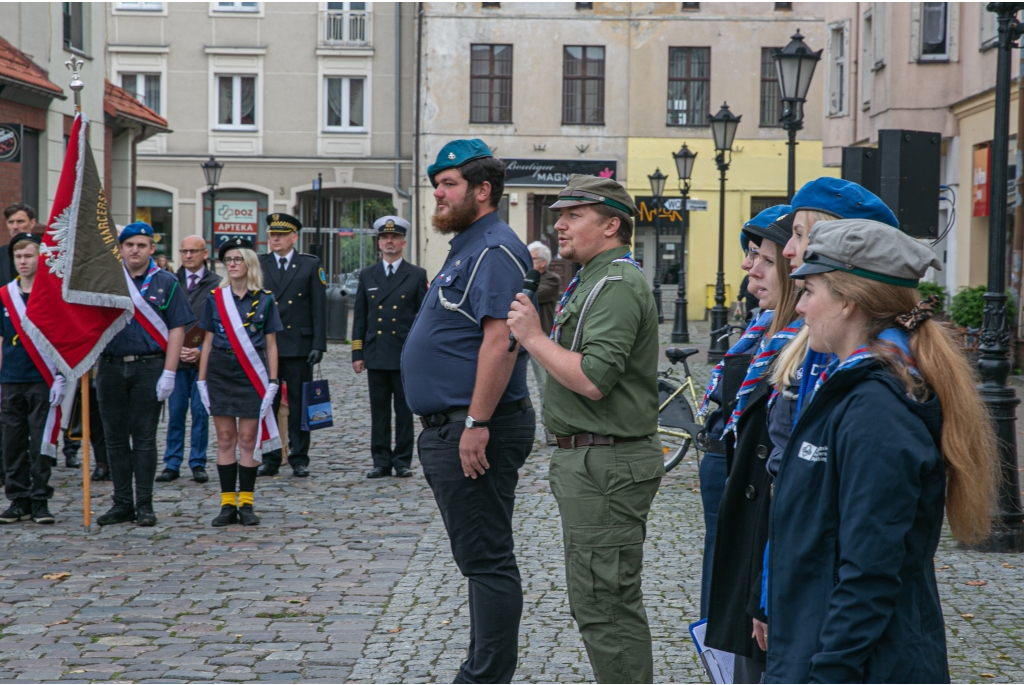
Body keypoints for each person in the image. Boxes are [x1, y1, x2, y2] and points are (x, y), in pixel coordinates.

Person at [764, 219, 995, 683]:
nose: (801, 308)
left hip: (862, 664)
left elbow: (870, 571)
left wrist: (825, 673)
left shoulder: (877, 409)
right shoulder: (851, 389)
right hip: (823, 646)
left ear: (848, 301)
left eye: (809, 291)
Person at [507, 174, 662, 684]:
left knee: (606, 602)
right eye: (559, 215)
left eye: (574, 215)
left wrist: (532, 336)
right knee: (596, 597)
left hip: (607, 462)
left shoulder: (616, 284)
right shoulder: (595, 278)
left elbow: (593, 379)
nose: (560, 224)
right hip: (593, 460)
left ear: (612, 224)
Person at [402, 139, 535, 684]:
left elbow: (501, 341)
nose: (438, 191)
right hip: (455, 423)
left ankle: (484, 676)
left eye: (449, 183)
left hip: (474, 425)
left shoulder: (494, 249)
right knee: (479, 557)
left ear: (483, 191)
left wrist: (476, 423)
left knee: (486, 559)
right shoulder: (468, 245)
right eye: (436, 183)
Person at [703, 206, 798, 684]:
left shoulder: (798, 354)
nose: (748, 267)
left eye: (761, 257)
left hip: (768, 565)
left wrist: (764, 592)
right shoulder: (761, 337)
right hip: (748, 558)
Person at [95, 222, 195, 527]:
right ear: (121, 249)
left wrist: (170, 370)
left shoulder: (165, 281)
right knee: (113, 438)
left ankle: (144, 503)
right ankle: (122, 502)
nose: (134, 250)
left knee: (144, 437)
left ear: (152, 248)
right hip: (110, 365)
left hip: (149, 366)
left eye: (141, 245)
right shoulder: (106, 280)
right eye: (129, 245)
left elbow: (178, 327)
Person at [197, 237, 282, 527]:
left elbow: (271, 344)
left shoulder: (266, 299)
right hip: (220, 368)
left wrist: (272, 380)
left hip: (252, 371)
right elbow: (206, 341)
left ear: (249, 263)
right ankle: (226, 504)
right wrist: (201, 380)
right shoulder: (215, 298)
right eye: (227, 260)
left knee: (247, 439)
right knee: (224, 439)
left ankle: (246, 503)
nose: (232, 265)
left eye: (237, 259)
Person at [352, 216, 427, 479]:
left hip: (404, 352)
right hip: (376, 352)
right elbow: (360, 317)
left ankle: (402, 460)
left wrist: (421, 354)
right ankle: (381, 460)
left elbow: (422, 318)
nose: (389, 242)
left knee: (404, 412)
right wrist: (357, 353)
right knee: (379, 411)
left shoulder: (416, 275)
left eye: (394, 238)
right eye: (384, 238)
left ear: (403, 242)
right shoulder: (367, 275)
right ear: (379, 243)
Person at [0, 234, 66, 525]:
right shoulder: (5, 295)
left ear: (40, 258)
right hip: (11, 378)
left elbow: (64, 339)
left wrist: (63, 376)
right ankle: (18, 499)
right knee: (12, 442)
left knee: (41, 443)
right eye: (18, 257)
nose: (23, 262)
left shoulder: (52, 296)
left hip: (42, 378)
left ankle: (40, 499)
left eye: (28, 256)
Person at [257, 213, 326, 478]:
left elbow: (318, 307)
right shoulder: (260, 264)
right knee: (268, 404)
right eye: (272, 235)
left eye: (281, 235)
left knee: (299, 404)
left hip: (299, 344)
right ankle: (271, 456)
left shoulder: (309, 265)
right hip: (268, 344)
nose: (275, 239)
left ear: (294, 237)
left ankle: (299, 456)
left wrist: (318, 344)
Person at [157, 236, 220, 484]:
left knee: (200, 412)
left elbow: (220, 323)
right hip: (176, 359)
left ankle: (197, 462)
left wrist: (202, 350)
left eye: (194, 251)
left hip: (203, 359)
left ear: (205, 253)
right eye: (184, 251)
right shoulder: (170, 281)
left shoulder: (217, 284)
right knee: (176, 412)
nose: (188, 256)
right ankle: (172, 463)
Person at [525, 240, 562, 446]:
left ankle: (551, 429)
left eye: (531, 259)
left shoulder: (552, 279)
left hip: (541, 338)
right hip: (518, 336)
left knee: (545, 386)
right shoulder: (523, 277)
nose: (527, 262)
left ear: (542, 262)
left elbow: (530, 295)